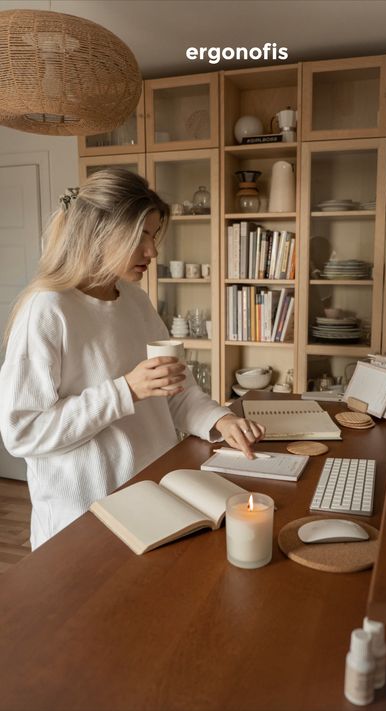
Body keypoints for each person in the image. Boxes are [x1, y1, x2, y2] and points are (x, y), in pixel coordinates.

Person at [0, 168, 264, 550]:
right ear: (98, 234)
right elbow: (22, 432)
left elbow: (175, 390)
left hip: (154, 499)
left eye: (153, 236)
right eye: (140, 236)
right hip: (83, 524)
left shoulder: (136, 301)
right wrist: (125, 391)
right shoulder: (47, 309)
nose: (153, 251)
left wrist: (219, 419)